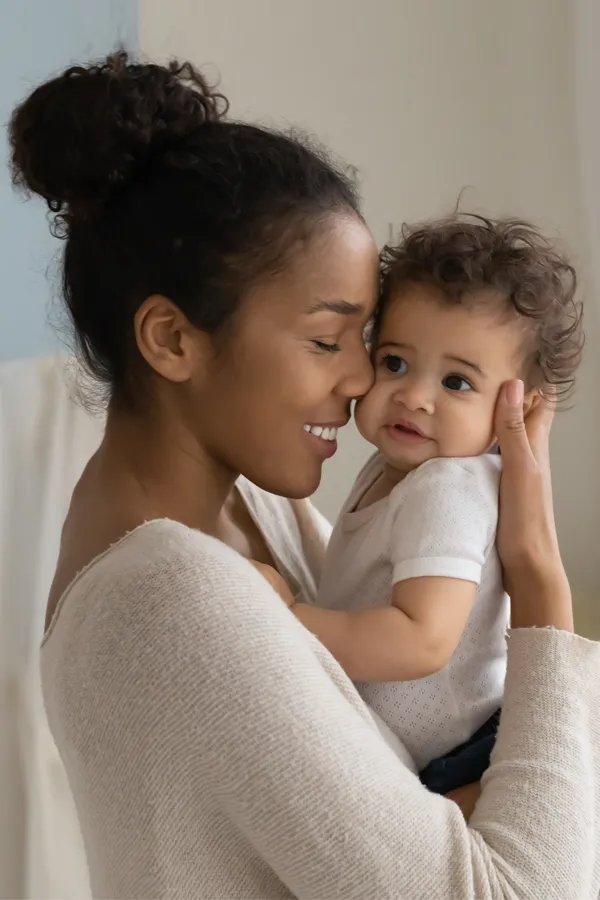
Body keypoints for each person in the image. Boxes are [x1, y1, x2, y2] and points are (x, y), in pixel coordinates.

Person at [10, 52, 600, 899]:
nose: (363, 381)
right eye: (329, 342)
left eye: (368, 343)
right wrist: (540, 584)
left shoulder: (247, 508)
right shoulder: (174, 597)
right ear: (173, 341)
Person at [287, 214, 583, 794]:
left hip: (465, 754)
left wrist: (289, 622)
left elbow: (421, 640)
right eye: (395, 362)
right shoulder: (398, 467)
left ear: (516, 411)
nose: (414, 396)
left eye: (457, 382)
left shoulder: (444, 488)